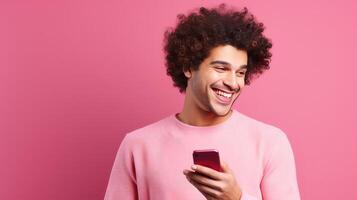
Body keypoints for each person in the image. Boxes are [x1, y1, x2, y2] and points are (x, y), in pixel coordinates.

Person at [104, 4, 300, 200]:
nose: (233, 83)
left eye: (240, 72)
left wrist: (236, 198)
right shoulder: (138, 145)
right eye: (221, 68)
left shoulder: (270, 142)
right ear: (189, 67)